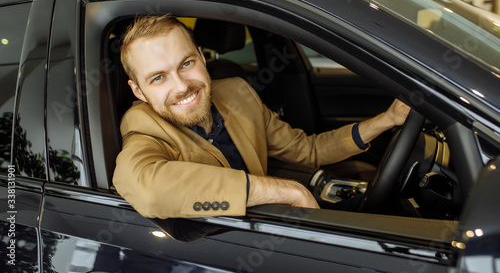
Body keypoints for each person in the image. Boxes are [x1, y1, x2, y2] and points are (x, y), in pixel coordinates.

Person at [112, 15, 411, 219]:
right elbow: (147, 189)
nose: (181, 86)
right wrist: (287, 190)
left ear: (202, 57)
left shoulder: (237, 92)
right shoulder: (143, 128)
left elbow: (309, 150)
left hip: (278, 223)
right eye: (158, 78)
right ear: (138, 91)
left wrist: (386, 120)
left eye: (187, 63)